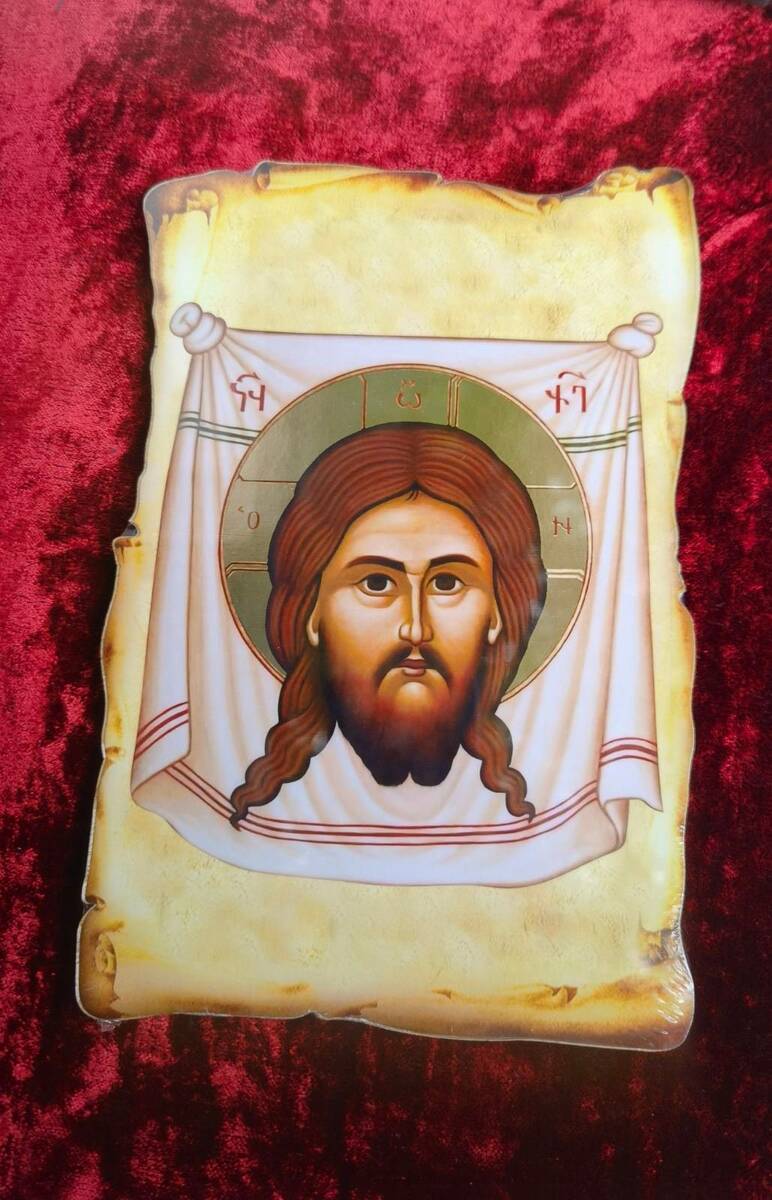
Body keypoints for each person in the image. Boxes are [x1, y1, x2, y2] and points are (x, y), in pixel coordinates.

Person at [229, 422, 546, 826]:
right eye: (376, 583)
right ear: (312, 612)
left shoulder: (524, 807)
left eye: (447, 583)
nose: (415, 629)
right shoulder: (278, 811)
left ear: (498, 612)